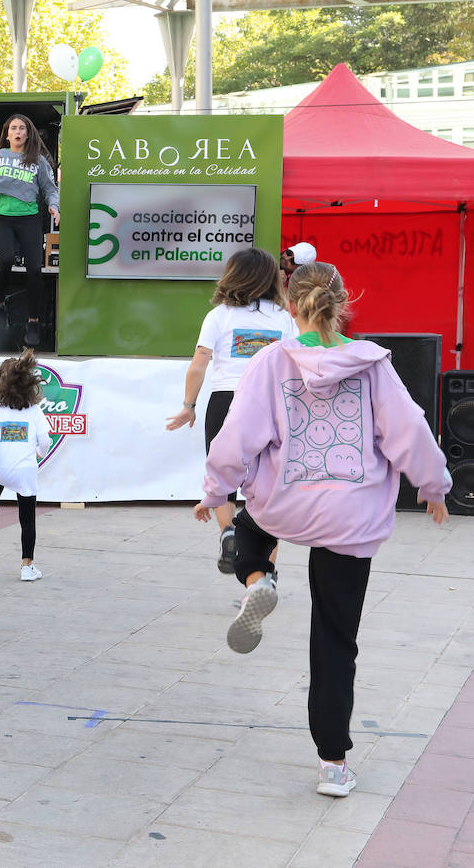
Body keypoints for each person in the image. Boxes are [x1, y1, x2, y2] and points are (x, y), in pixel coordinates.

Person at [194, 260, 450, 799]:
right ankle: (333, 763)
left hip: (284, 505)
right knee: (335, 640)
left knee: (250, 523)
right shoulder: (373, 365)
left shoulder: (269, 363)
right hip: (349, 518)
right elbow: (410, 431)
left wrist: (215, 490)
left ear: (291, 307)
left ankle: (257, 576)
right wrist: (433, 486)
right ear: (343, 305)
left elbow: (238, 438)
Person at [166, 248, 298, 573]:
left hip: (226, 400)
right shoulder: (285, 319)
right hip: (269, 404)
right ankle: (266, 575)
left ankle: (228, 532)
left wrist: (188, 406)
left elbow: (199, 365)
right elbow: (298, 365)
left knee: (222, 475)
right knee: (267, 488)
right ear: (273, 279)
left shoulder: (220, 316)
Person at [0, 114, 60, 348]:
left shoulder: (37, 160)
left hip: (29, 218)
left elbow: (50, 188)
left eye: (22, 128)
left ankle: (33, 320)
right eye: (13, 128)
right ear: (7, 133)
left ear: (28, 133)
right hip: (2, 217)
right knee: (6, 258)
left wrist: (54, 206)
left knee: (34, 270)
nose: (18, 131)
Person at [0, 351, 51, 581]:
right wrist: (39, 453)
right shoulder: (34, 410)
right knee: (27, 519)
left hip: (2, 469)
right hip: (25, 470)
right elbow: (45, 441)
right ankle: (27, 567)